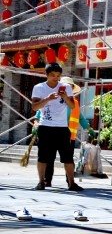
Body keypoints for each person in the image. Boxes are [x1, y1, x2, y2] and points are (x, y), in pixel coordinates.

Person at [29, 63, 83, 191]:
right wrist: (47, 99)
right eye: (53, 75)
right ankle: (41, 182)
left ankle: (71, 183)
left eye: (58, 75)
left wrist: (65, 97)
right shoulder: (39, 88)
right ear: (47, 75)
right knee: (43, 157)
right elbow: (34, 106)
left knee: (67, 157)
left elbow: (72, 106)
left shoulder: (65, 88)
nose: (56, 78)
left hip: (62, 128)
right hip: (45, 126)